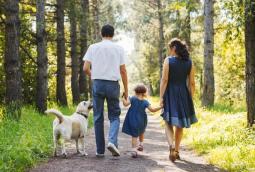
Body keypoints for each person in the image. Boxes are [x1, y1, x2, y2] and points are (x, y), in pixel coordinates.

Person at [83, 24, 128, 157]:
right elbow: (123, 70)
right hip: (113, 85)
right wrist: (126, 90)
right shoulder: (119, 48)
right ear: (112, 34)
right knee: (114, 115)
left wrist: (96, 75)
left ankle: (100, 150)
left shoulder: (93, 47)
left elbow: (85, 68)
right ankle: (112, 142)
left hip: (98, 84)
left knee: (98, 117)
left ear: (101, 34)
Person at [159, 38, 198, 162]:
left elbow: (164, 80)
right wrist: (190, 98)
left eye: (170, 49)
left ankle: (171, 146)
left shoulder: (168, 61)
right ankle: (176, 150)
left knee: (168, 121)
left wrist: (161, 97)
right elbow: (192, 83)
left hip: (170, 93)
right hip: (183, 94)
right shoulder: (189, 63)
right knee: (180, 124)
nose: (169, 51)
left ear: (174, 48)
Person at [122, 84, 162, 158]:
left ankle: (134, 150)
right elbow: (152, 110)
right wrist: (161, 107)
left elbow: (125, 104)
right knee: (141, 131)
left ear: (135, 92)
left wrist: (123, 98)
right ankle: (141, 144)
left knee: (134, 135)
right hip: (142, 120)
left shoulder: (133, 98)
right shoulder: (145, 102)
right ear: (144, 93)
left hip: (132, 119)